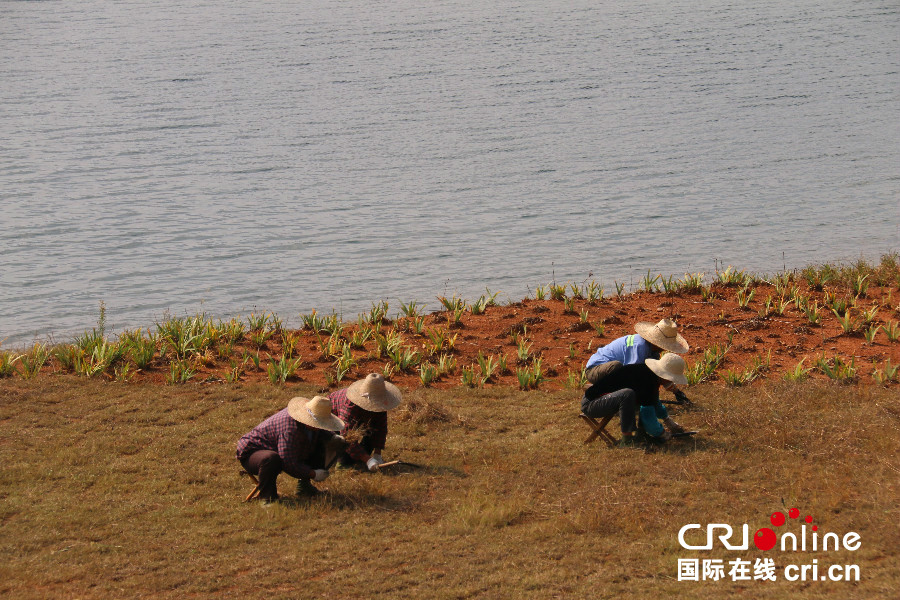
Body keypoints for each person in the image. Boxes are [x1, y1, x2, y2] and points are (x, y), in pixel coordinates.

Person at [236, 395, 347, 502]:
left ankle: (304, 487)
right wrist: (313, 473)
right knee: (270, 459)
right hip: (253, 453)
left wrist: (333, 437)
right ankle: (267, 497)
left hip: (279, 449)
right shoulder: (290, 430)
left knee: (330, 443)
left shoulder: (312, 426)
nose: (320, 426)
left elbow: (321, 431)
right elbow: (288, 462)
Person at [581, 353, 689, 444]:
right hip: (591, 404)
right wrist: (661, 433)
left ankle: (640, 435)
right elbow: (649, 419)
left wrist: (667, 420)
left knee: (634, 397)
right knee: (627, 394)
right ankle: (627, 440)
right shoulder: (647, 380)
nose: (671, 382)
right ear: (664, 375)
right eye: (671, 378)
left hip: (605, 400)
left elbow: (653, 401)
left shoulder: (650, 376)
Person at [584, 318, 692, 404]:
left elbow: (659, 373)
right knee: (618, 368)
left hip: (612, 374)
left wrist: (676, 391)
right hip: (595, 370)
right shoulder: (640, 346)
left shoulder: (653, 351)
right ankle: (615, 398)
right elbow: (632, 374)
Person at [329, 373, 402, 471]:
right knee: (344, 459)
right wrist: (368, 460)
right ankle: (341, 460)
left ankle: (360, 455)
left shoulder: (381, 406)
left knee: (371, 433)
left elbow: (381, 428)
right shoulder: (350, 405)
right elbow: (346, 435)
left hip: (358, 419)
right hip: (333, 420)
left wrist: (377, 454)